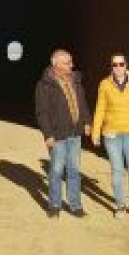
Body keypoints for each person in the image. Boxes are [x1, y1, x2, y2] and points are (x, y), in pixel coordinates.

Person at [92, 53, 129, 219]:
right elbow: (100, 109)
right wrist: (96, 132)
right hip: (111, 135)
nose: (118, 67)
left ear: (126, 65)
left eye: (121, 64)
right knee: (117, 170)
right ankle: (120, 206)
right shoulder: (104, 85)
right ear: (111, 67)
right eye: (114, 65)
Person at [35, 48, 91, 219]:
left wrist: (87, 121)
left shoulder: (75, 80)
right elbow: (42, 112)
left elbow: (82, 102)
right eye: (68, 63)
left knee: (74, 171)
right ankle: (54, 205)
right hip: (57, 135)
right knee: (57, 171)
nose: (71, 65)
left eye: (71, 62)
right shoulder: (45, 84)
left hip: (75, 133)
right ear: (56, 64)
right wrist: (47, 134)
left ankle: (75, 206)